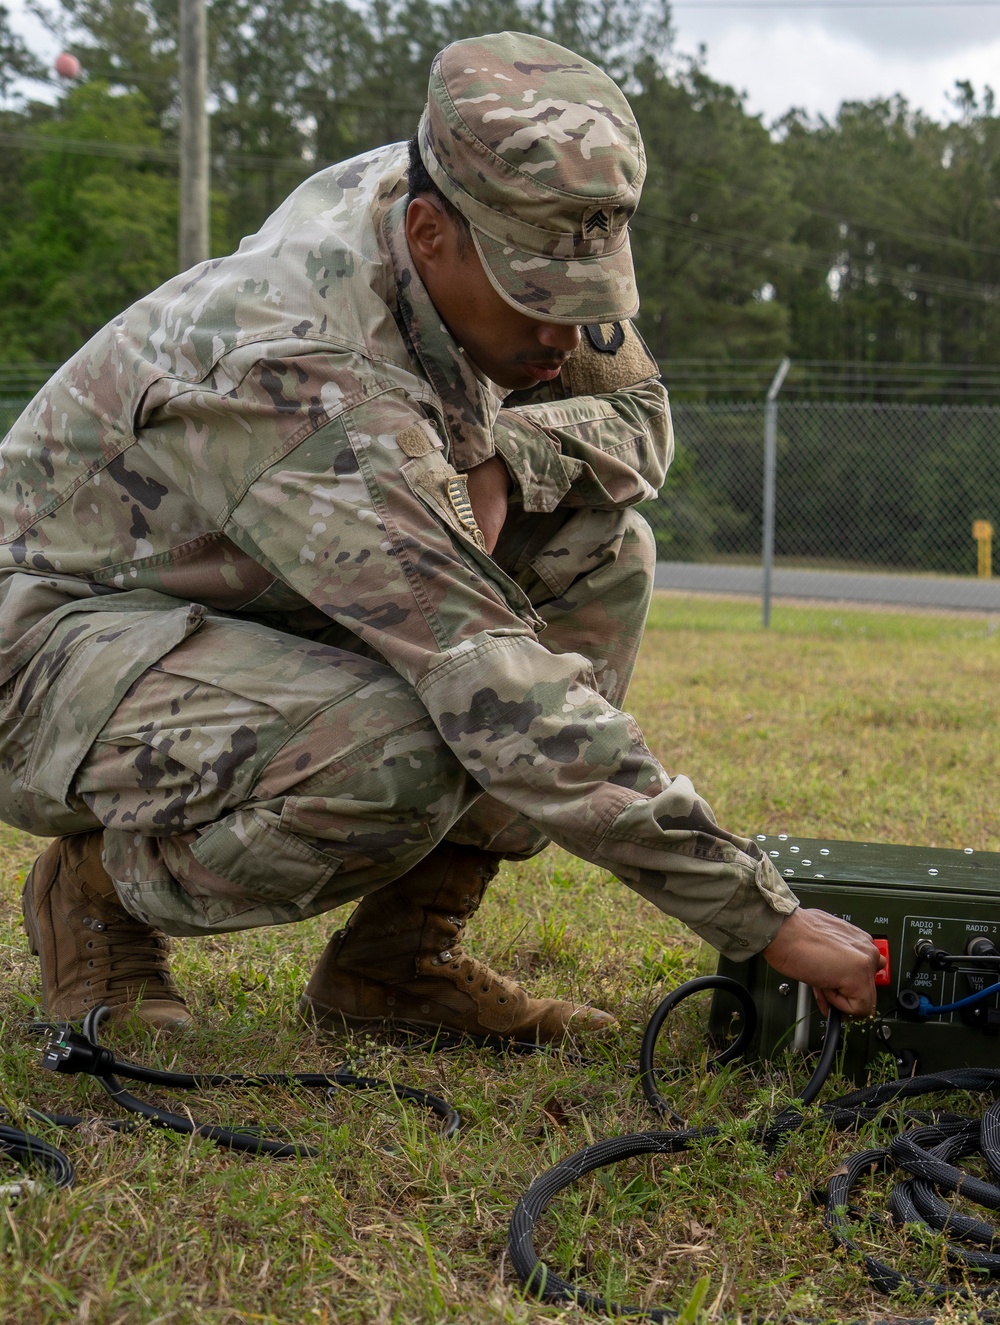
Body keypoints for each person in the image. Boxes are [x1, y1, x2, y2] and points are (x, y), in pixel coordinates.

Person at [2, 31, 882, 1041]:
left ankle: (396, 962)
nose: (564, 335)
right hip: (55, 644)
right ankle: (94, 893)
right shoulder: (306, 371)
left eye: (586, 298)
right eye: (535, 299)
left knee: (600, 550)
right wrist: (762, 916)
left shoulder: (498, 199)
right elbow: (490, 683)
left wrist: (501, 452)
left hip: (253, 591)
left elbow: (642, 420)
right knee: (401, 751)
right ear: (428, 235)